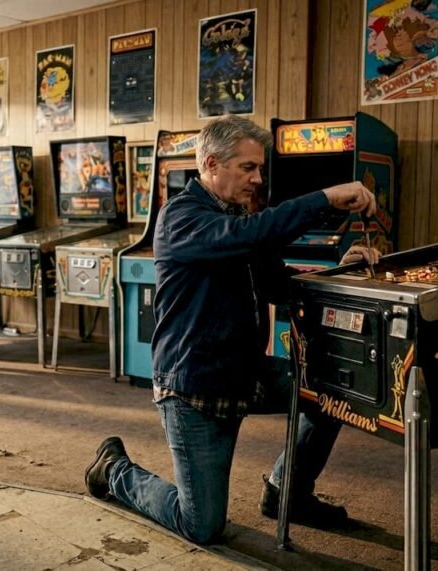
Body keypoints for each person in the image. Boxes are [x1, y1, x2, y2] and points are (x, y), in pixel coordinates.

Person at [84, 115, 377, 544]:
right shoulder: (181, 217)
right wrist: (326, 198)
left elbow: (278, 285)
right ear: (211, 164)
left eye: (259, 168)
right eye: (247, 167)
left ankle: (286, 492)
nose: (257, 178)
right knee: (201, 525)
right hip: (194, 385)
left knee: (332, 393)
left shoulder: (239, 220)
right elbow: (247, 235)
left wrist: (339, 272)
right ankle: (114, 470)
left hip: (245, 371)